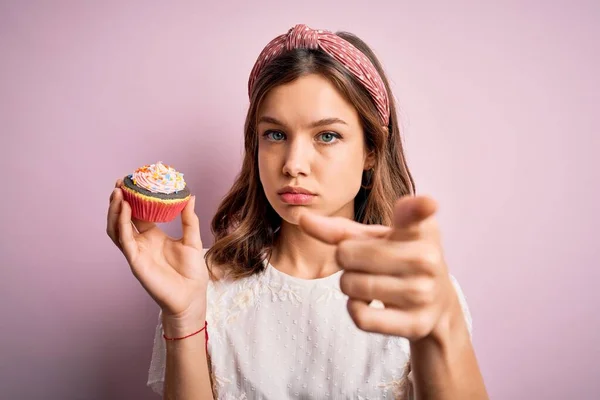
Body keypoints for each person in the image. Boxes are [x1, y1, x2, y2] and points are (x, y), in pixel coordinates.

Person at [106, 24, 488, 399]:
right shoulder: (201, 284)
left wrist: (443, 329)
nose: (293, 164)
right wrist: (184, 318)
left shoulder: (415, 291)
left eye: (327, 135)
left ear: (371, 150)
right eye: (275, 134)